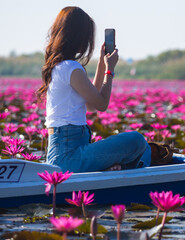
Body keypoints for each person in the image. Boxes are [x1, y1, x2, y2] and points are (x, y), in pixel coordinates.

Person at [37, 6, 151, 173]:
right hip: (70, 158)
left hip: (62, 155)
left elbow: (90, 105)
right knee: (138, 141)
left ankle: (114, 167)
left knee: (138, 144)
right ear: (79, 36)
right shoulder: (71, 68)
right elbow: (101, 104)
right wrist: (110, 71)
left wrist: (101, 64)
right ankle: (121, 168)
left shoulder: (59, 66)